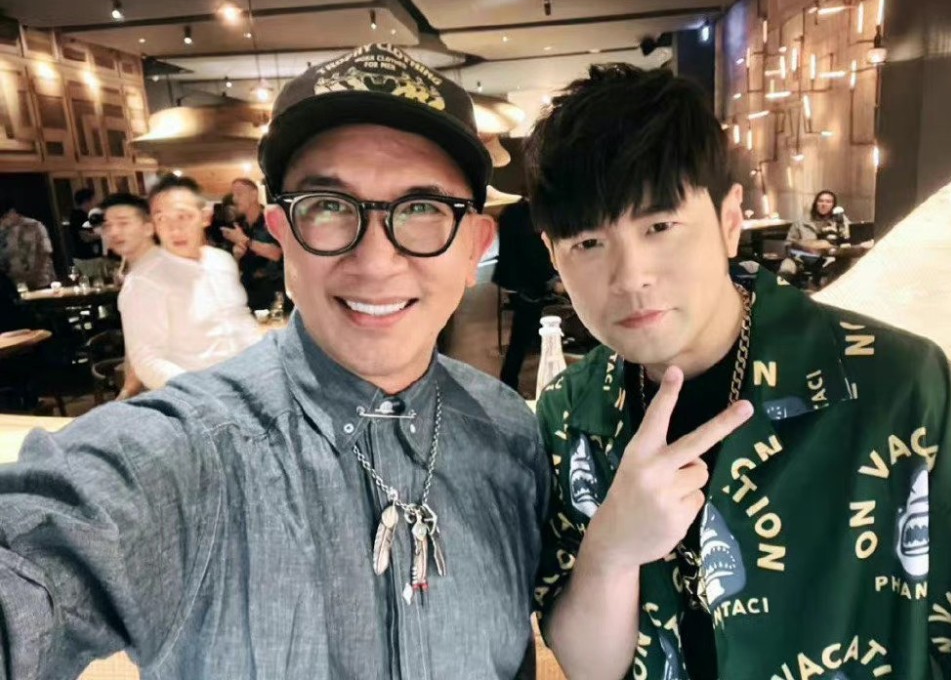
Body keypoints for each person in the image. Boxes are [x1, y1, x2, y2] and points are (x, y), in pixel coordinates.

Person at [0, 42, 549, 680]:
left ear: (475, 244)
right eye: (328, 206)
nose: (376, 262)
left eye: (422, 208)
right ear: (282, 232)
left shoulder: (510, 436)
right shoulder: (188, 457)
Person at [523, 63, 951, 680]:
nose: (630, 276)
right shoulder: (569, 416)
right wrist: (610, 551)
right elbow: (590, 668)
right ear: (553, 256)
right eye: (588, 244)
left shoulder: (902, 390)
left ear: (729, 222)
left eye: (660, 226)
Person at [117, 175, 261, 391]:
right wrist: (203, 392)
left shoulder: (221, 261)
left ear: (205, 217)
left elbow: (241, 323)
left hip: (249, 385)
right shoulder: (144, 281)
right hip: (198, 398)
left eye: (183, 216)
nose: (174, 229)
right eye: (162, 219)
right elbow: (147, 361)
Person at [493, 197, 561, 392]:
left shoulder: (511, 211)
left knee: (521, 336)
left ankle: (509, 382)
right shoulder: (533, 217)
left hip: (512, 281)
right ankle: (508, 385)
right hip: (527, 286)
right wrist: (553, 281)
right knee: (520, 339)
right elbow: (535, 259)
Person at [99, 192, 159, 399]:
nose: (114, 232)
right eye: (108, 225)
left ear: (148, 227)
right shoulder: (136, 277)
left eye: (123, 223)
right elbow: (134, 345)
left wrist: (127, 393)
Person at [223, 176, 286, 311]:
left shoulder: (271, 219)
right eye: (233, 195)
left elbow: (277, 254)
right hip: (248, 297)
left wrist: (245, 241)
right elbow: (234, 267)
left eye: (239, 194)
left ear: (254, 195)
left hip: (274, 297)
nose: (234, 199)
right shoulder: (238, 226)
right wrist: (236, 256)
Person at [777, 189, 851, 287]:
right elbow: (789, 244)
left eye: (828, 202)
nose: (824, 204)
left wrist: (838, 232)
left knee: (844, 265)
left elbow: (849, 239)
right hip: (803, 258)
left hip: (830, 258)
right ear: (816, 203)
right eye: (821, 201)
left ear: (833, 205)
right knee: (786, 267)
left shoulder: (840, 221)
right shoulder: (802, 222)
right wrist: (801, 249)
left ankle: (820, 289)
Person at [0, 201, 56, 290]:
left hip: (41, 281)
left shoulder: (34, 226)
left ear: (12, 212)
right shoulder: (3, 232)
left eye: (4, 217)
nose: (2, 222)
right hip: (15, 285)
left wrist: (32, 276)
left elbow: (45, 252)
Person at [68, 187, 106, 283]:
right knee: (92, 283)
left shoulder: (89, 215)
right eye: (93, 199)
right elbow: (86, 237)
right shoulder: (78, 216)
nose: (95, 202)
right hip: (85, 258)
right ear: (86, 201)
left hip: (93, 258)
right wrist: (104, 234)